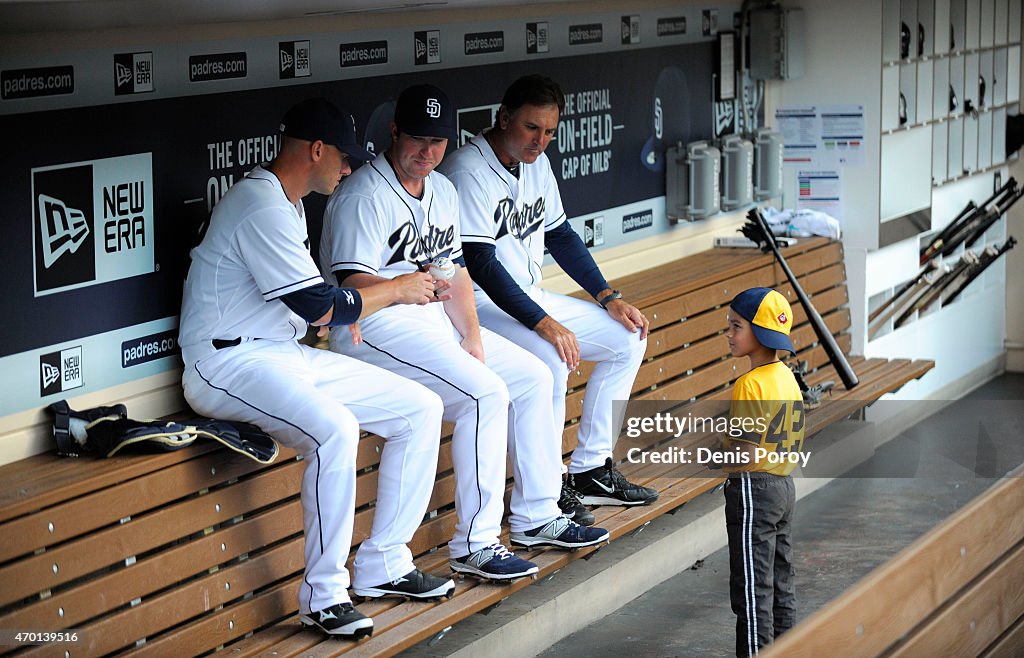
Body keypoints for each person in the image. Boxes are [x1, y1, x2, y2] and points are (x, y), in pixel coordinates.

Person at [178, 98, 455, 640]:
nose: (348, 169)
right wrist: (395, 291)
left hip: (278, 354)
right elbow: (321, 306)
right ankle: (324, 597)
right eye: (343, 158)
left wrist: (344, 310)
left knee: (420, 407)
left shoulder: (291, 200)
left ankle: (384, 563)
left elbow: (318, 306)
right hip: (224, 362)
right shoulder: (258, 202)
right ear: (316, 149)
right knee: (335, 431)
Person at [320, 84, 609, 582]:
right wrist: (401, 286)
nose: (427, 152)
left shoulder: (443, 191)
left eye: (437, 142)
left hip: (429, 322)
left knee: (533, 375)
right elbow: (351, 284)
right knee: (484, 395)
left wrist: (473, 338)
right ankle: (475, 542)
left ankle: (538, 515)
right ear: (394, 132)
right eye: (416, 139)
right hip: (375, 327)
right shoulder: (363, 195)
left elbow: (454, 275)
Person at [439, 74, 658, 514]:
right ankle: (550, 481)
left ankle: (591, 469)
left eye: (550, 132)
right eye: (531, 128)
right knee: (551, 359)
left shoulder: (535, 162)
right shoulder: (467, 169)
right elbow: (481, 263)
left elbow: (560, 235)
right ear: (503, 119)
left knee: (627, 336)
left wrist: (606, 296)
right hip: (477, 302)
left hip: (525, 292)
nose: (541, 141)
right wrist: (543, 322)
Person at [722, 287, 806, 657]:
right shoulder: (786, 377)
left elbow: (747, 451)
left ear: (758, 334)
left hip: (755, 491)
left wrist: (717, 451)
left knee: (753, 592)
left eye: (735, 326)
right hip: (784, 487)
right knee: (781, 584)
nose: (728, 333)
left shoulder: (749, 385)